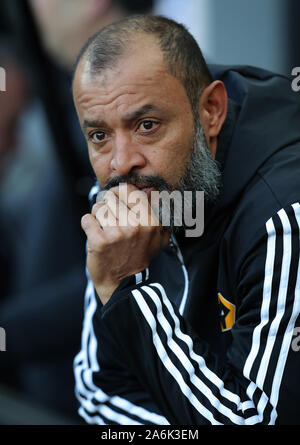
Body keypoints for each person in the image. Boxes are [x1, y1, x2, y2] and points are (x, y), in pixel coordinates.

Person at [72, 15, 300, 425]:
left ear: (211, 111)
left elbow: (254, 421)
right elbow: (99, 394)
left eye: (146, 125)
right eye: (99, 136)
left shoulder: (284, 214)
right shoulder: (132, 192)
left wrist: (128, 289)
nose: (122, 163)